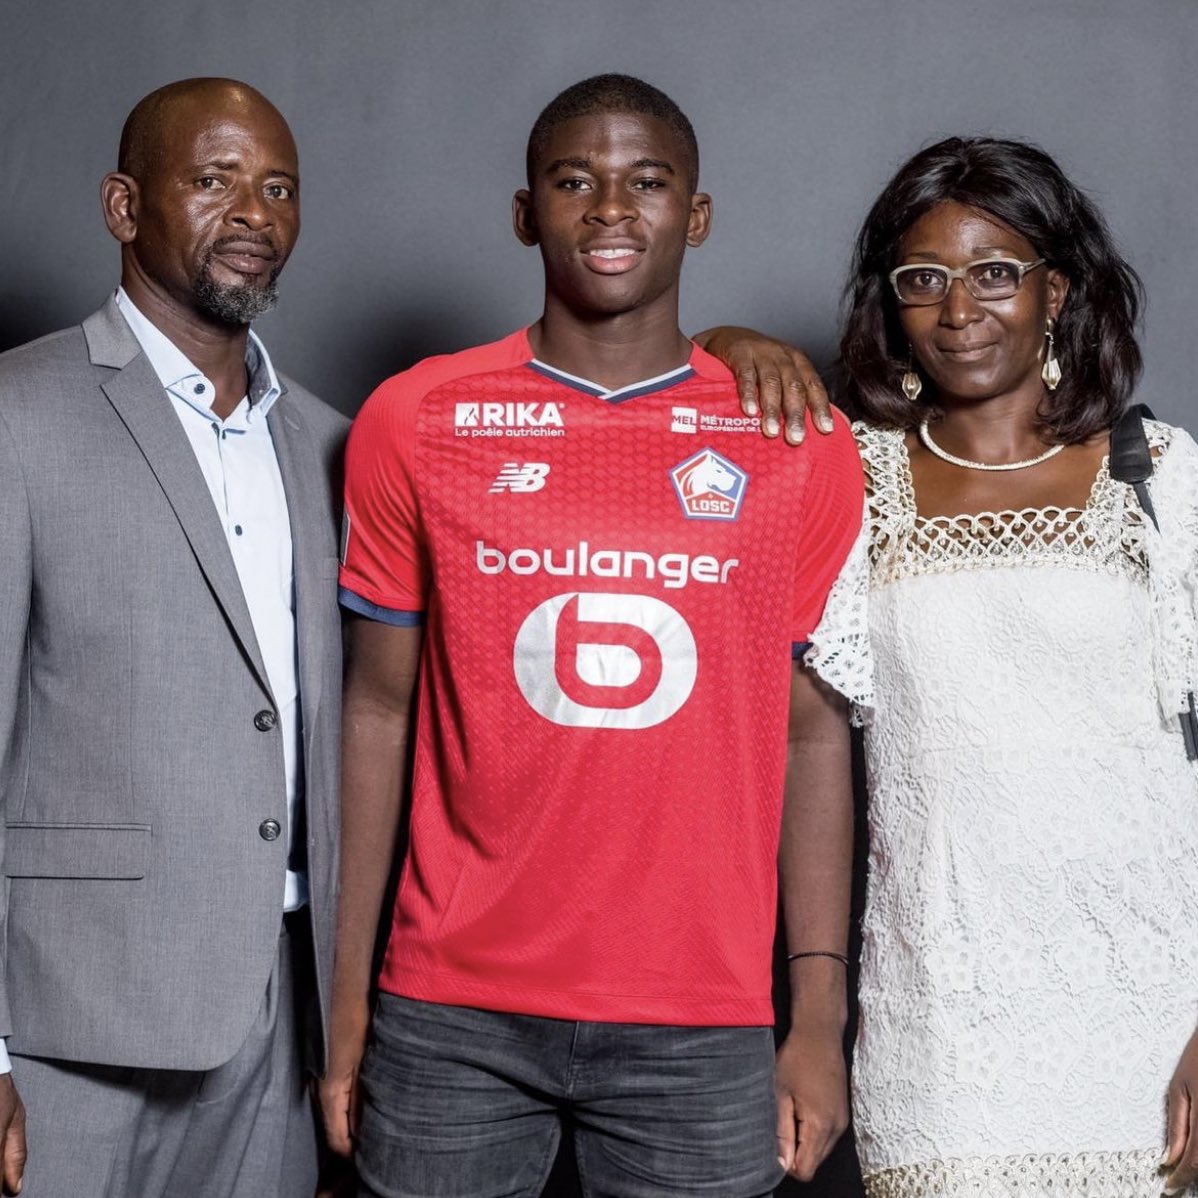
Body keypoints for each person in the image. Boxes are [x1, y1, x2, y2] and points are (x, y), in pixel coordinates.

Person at [320, 73, 869, 1197]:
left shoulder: (794, 440)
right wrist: (346, 1007)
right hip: (451, 1008)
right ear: (525, 213)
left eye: (646, 182)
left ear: (697, 215)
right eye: (574, 181)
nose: (610, 210)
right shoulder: (417, 417)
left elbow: (813, 737)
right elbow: (376, 710)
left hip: (701, 1014)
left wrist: (816, 1012)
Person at [829, 136, 1198, 1197]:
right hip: (940, 1022)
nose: (958, 309)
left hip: (1153, 1010)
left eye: (994, 271)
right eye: (922, 280)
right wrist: (732, 340)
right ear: (889, 303)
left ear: (1057, 290)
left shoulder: (1162, 479)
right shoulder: (848, 480)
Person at [0, 78, 347, 1197]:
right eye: (212, 180)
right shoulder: (18, 412)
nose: (253, 212)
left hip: (284, 1013)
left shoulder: (336, 445)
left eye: (278, 187)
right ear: (122, 205)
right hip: (68, 1022)